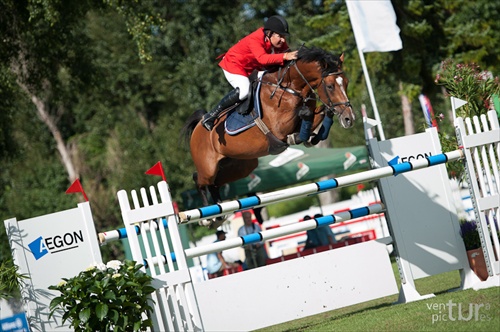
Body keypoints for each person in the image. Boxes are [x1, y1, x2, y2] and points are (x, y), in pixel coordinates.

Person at [202, 15, 299, 131]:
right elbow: (263, 59)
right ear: (269, 34)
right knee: (244, 90)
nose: (283, 40)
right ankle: (211, 115)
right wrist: (285, 56)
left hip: (251, 68)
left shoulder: (277, 41)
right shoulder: (255, 39)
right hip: (233, 65)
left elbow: (288, 53)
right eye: (280, 36)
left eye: (284, 36)